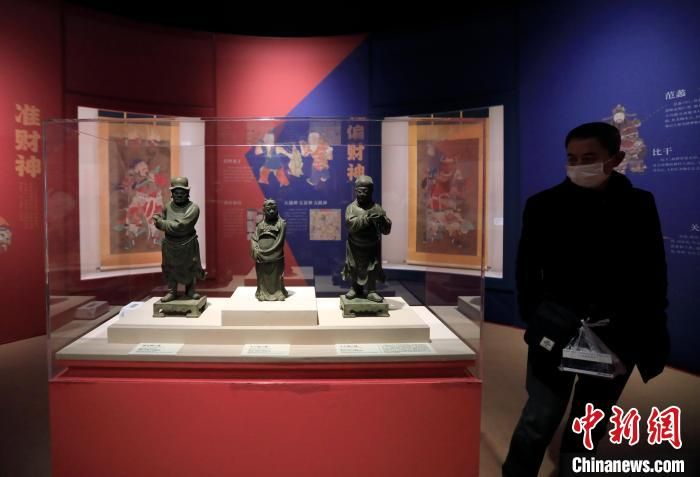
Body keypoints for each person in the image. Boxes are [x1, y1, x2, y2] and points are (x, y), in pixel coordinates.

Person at [503, 122, 669, 476]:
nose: (579, 166)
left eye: (589, 158)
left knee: (589, 425)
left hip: (616, 335)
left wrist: (650, 332)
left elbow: (653, 273)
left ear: (615, 158)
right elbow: (526, 270)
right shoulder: (543, 205)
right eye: (572, 158)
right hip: (555, 330)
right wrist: (536, 316)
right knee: (538, 419)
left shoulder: (639, 205)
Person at [153, 177, 206, 302]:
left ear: (187, 193)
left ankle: (190, 290)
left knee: (190, 266)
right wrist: (159, 221)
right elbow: (161, 221)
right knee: (170, 268)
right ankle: (172, 291)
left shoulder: (193, 208)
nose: (179, 195)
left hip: (188, 243)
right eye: (176, 193)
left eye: (182, 193)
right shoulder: (167, 207)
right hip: (170, 244)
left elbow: (181, 226)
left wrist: (161, 223)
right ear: (172, 193)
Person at [342, 175, 392, 303]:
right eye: (360, 191)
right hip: (354, 245)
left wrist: (382, 220)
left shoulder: (377, 208)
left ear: (371, 192)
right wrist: (367, 219)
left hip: (372, 246)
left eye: (366, 191)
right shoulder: (351, 208)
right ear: (355, 191)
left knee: (372, 267)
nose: (362, 194)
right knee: (353, 267)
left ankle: (371, 291)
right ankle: (355, 288)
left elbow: (386, 230)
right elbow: (350, 225)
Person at [250, 199, 289, 301]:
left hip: (276, 257)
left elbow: (280, 242)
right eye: (268, 209)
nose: (271, 211)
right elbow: (254, 239)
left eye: (273, 209)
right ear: (264, 210)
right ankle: (262, 292)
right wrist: (256, 250)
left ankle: (278, 292)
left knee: (276, 276)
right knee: (262, 277)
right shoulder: (260, 225)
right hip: (261, 258)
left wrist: (267, 253)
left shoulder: (281, 223)